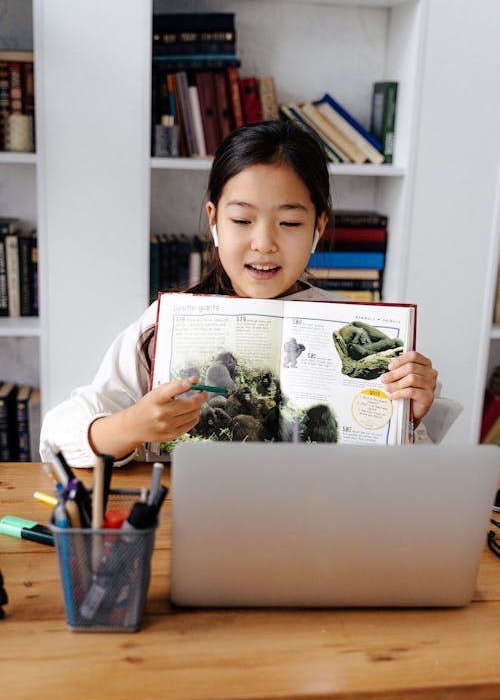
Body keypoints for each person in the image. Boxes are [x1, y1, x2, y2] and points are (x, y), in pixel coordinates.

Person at [40, 120, 440, 467]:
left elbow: (406, 487)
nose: (263, 243)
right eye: (242, 219)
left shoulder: (359, 331)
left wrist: (407, 419)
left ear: (318, 226)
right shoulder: (163, 323)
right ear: (214, 221)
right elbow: (57, 438)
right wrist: (130, 426)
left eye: (289, 222)